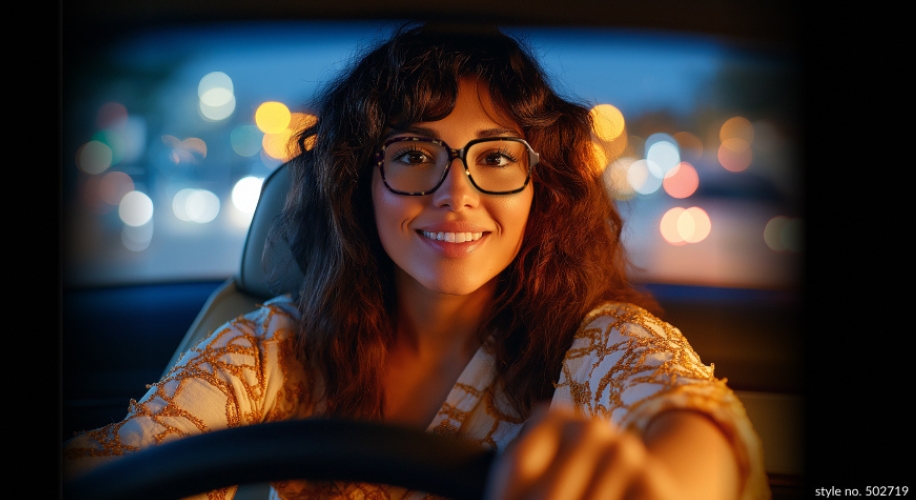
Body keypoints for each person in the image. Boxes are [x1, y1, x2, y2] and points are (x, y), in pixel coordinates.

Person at [63, 21, 771, 500]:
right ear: (357, 183)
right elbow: (129, 462)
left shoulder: (591, 342)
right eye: (411, 155)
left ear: (540, 191)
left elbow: (692, 420)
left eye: (494, 157)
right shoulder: (277, 345)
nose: (453, 194)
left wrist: (659, 481)